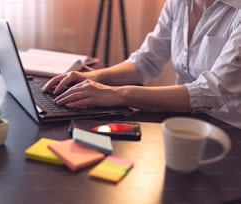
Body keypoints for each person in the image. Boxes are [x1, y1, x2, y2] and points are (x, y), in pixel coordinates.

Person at [42, 0, 241, 129]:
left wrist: (117, 94)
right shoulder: (178, 3)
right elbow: (146, 61)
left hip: (228, 131)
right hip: (182, 122)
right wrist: (92, 77)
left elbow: (211, 92)